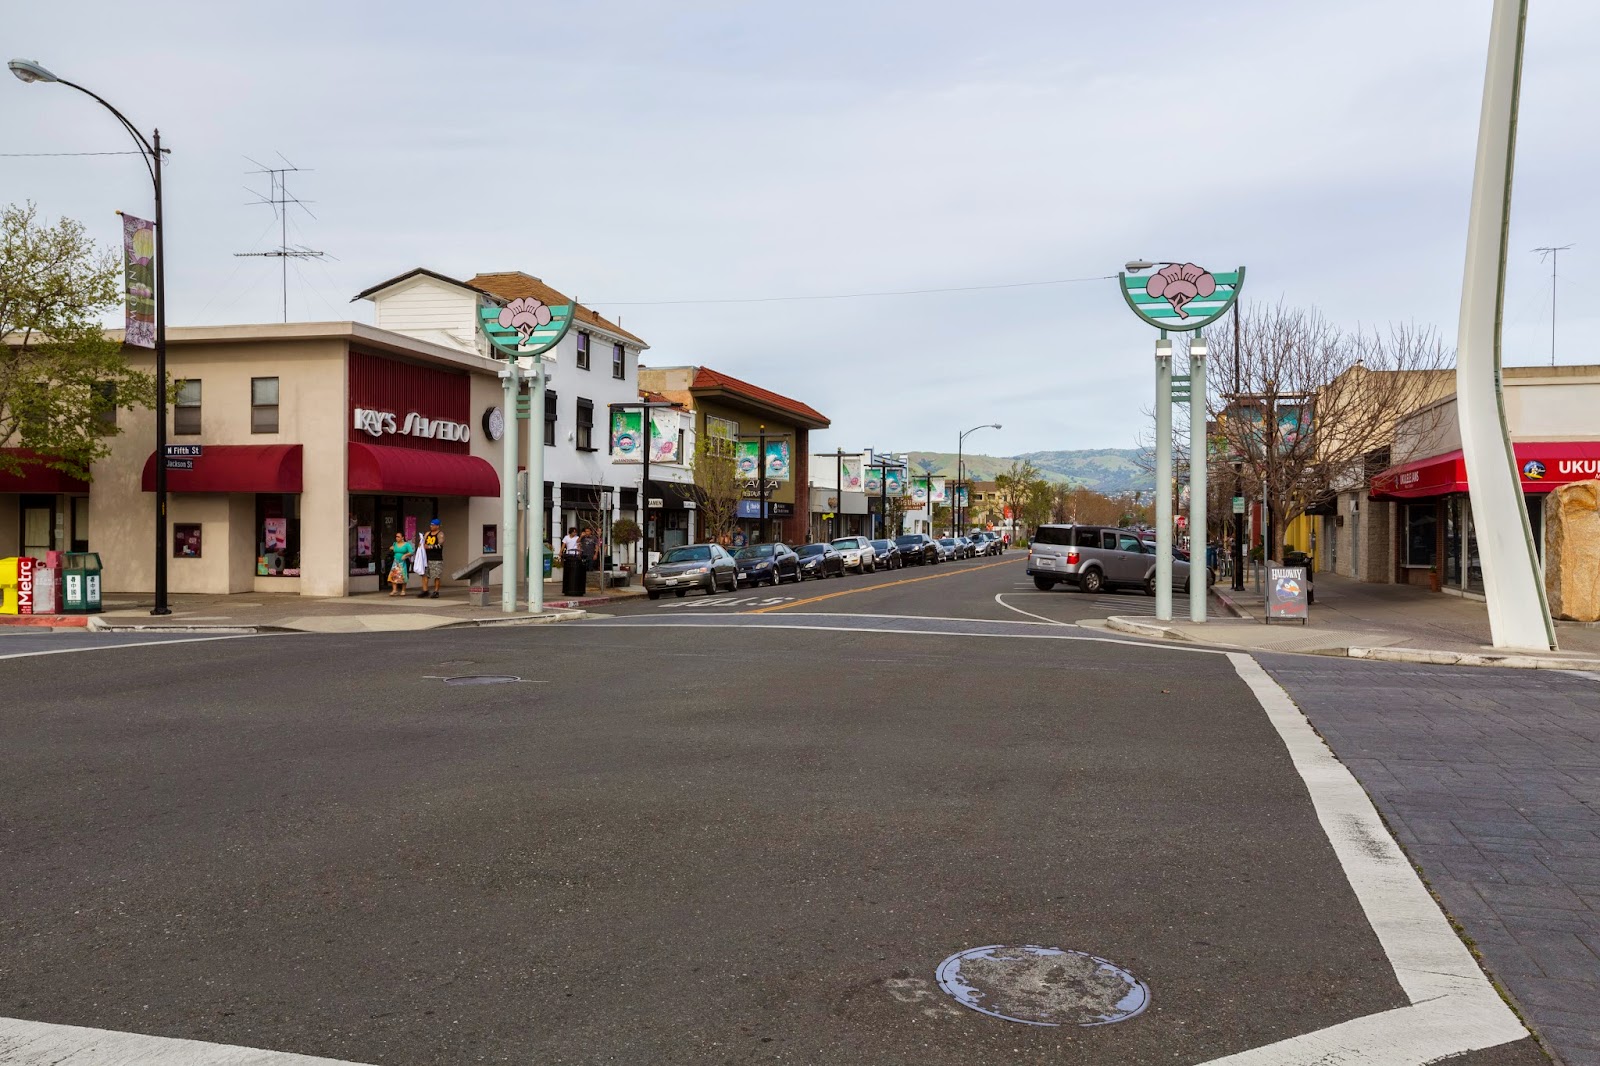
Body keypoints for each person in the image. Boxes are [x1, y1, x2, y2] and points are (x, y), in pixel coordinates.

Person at [421, 518, 446, 599]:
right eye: (430, 525)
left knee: (436, 576)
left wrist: (429, 547)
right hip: (426, 558)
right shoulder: (428, 533)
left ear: (437, 526)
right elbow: (422, 542)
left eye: (433, 525)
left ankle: (436, 591)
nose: (431, 526)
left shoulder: (440, 534)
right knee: (424, 575)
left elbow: (440, 544)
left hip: (436, 558)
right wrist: (421, 544)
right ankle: (425, 590)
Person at [387, 532, 415, 597]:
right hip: (395, 561)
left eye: (398, 537)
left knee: (403, 575)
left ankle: (403, 590)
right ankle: (394, 590)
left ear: (402, 537)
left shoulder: (406, 544)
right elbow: (392, 548)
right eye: (396, 536)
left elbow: (411, 552)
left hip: (403, 562)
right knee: (394, 575)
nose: (397, 538)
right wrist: (391, 548)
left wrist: (405, 555)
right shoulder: (395, 544)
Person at [561, 526, 584, 596]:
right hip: (569, 553)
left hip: (575, 554)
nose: (575, 533)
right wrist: (561, 551)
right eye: (573, 532)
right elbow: (563, 545)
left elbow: (578, 542)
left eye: (575, 532)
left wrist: (581, 537)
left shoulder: (577, 538)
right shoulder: (566, 537)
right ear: (571, 532)